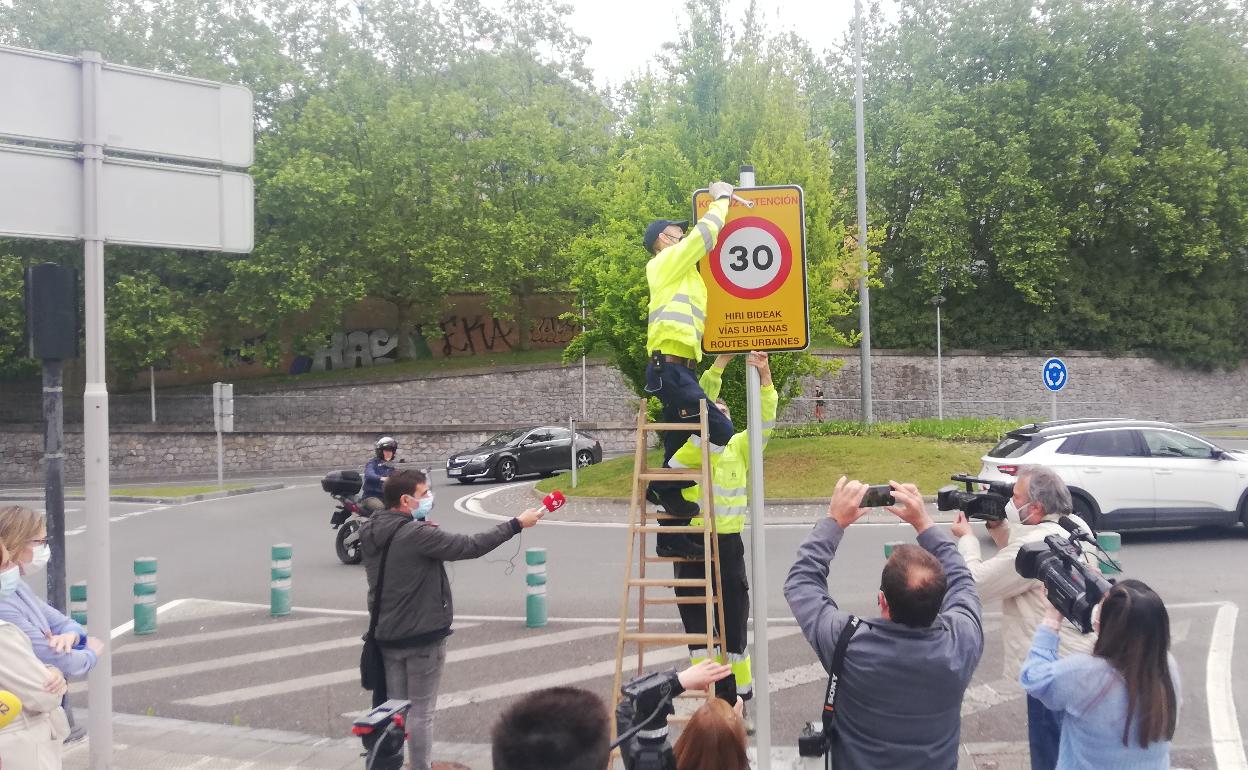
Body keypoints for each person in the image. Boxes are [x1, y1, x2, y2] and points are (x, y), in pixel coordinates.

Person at [784, 477, 984, 769]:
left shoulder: (847, 642)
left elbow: (801, 584)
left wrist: (833, 522)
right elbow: (963, 580)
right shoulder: (961, 641)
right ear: (940, 602)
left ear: (882, 601)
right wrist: (925, 524)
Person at [359, 468, 545, 770]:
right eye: (424, 494)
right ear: (406, 500)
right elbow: (469, 546)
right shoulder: (417, 534)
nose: (429, 498)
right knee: (421, 712)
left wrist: (421, 530)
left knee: (395, 709)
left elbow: (402, 556)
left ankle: (390, 763)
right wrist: (515, 524)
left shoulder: (372, 530)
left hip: (386, 634)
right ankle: (419, 767)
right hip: (422, 636)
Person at [950, 465, 1097, 770]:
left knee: (1050, 755)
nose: (1009, 505)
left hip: (1051, 667)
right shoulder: (1074, 525)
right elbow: (1025, 563)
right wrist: (997, 525)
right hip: (1081, 660)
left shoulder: (1038, 542)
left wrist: (967, 540)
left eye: (1015, 498)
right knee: (1073, 752)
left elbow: (975, 584)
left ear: (1036, 507)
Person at [666, 351, 776, 716]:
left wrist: (766, 379)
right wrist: (719, 366)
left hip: (727, 543)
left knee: (733, 619)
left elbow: (764, 422)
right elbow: (700, 398)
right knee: (697, 624)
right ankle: (707, 694)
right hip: (692, 542)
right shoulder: (691, 448)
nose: (721, 420)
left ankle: (739, 697)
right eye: (717, 414)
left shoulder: (740, 447)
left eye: (725, 416)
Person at [642, 181, 737, 559]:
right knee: (722, 429)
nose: (683, 235)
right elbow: (705, 236)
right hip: (669, 369)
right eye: (677, 232)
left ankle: (671, 537)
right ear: (664, 240)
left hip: (677, 369)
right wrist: (723, 200)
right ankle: (666, 484)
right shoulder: (666, 261)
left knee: (675, 448)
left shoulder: (683, 273)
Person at [1021, 580, 1180, 769]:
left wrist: (1052, 618)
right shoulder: (1165, 667)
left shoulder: (1085, 674)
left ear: (1105, 625)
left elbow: (1033, 678)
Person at [0, 506, 104, 678]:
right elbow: (59, 660)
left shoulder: (17, 587)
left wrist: (71, 636)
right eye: (40, 542)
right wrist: (90, 652)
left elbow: (64, 623)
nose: (44, 548)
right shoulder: (4, 605)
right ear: (15, 543)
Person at [0, 541, 70, 770]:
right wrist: (53, 671)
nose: (12, 569)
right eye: (6, 563)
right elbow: (44, 694)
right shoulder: (3, 635)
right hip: (19, 747)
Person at [361, 437, 398, 513]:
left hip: (386, 497)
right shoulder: (372, 463)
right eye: (386, 451)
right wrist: (382, 478)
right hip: (371, 497)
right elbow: (369, 475)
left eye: (391, 451)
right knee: (382, 510)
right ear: (380, 451)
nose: (389, 453)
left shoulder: (391, 467)